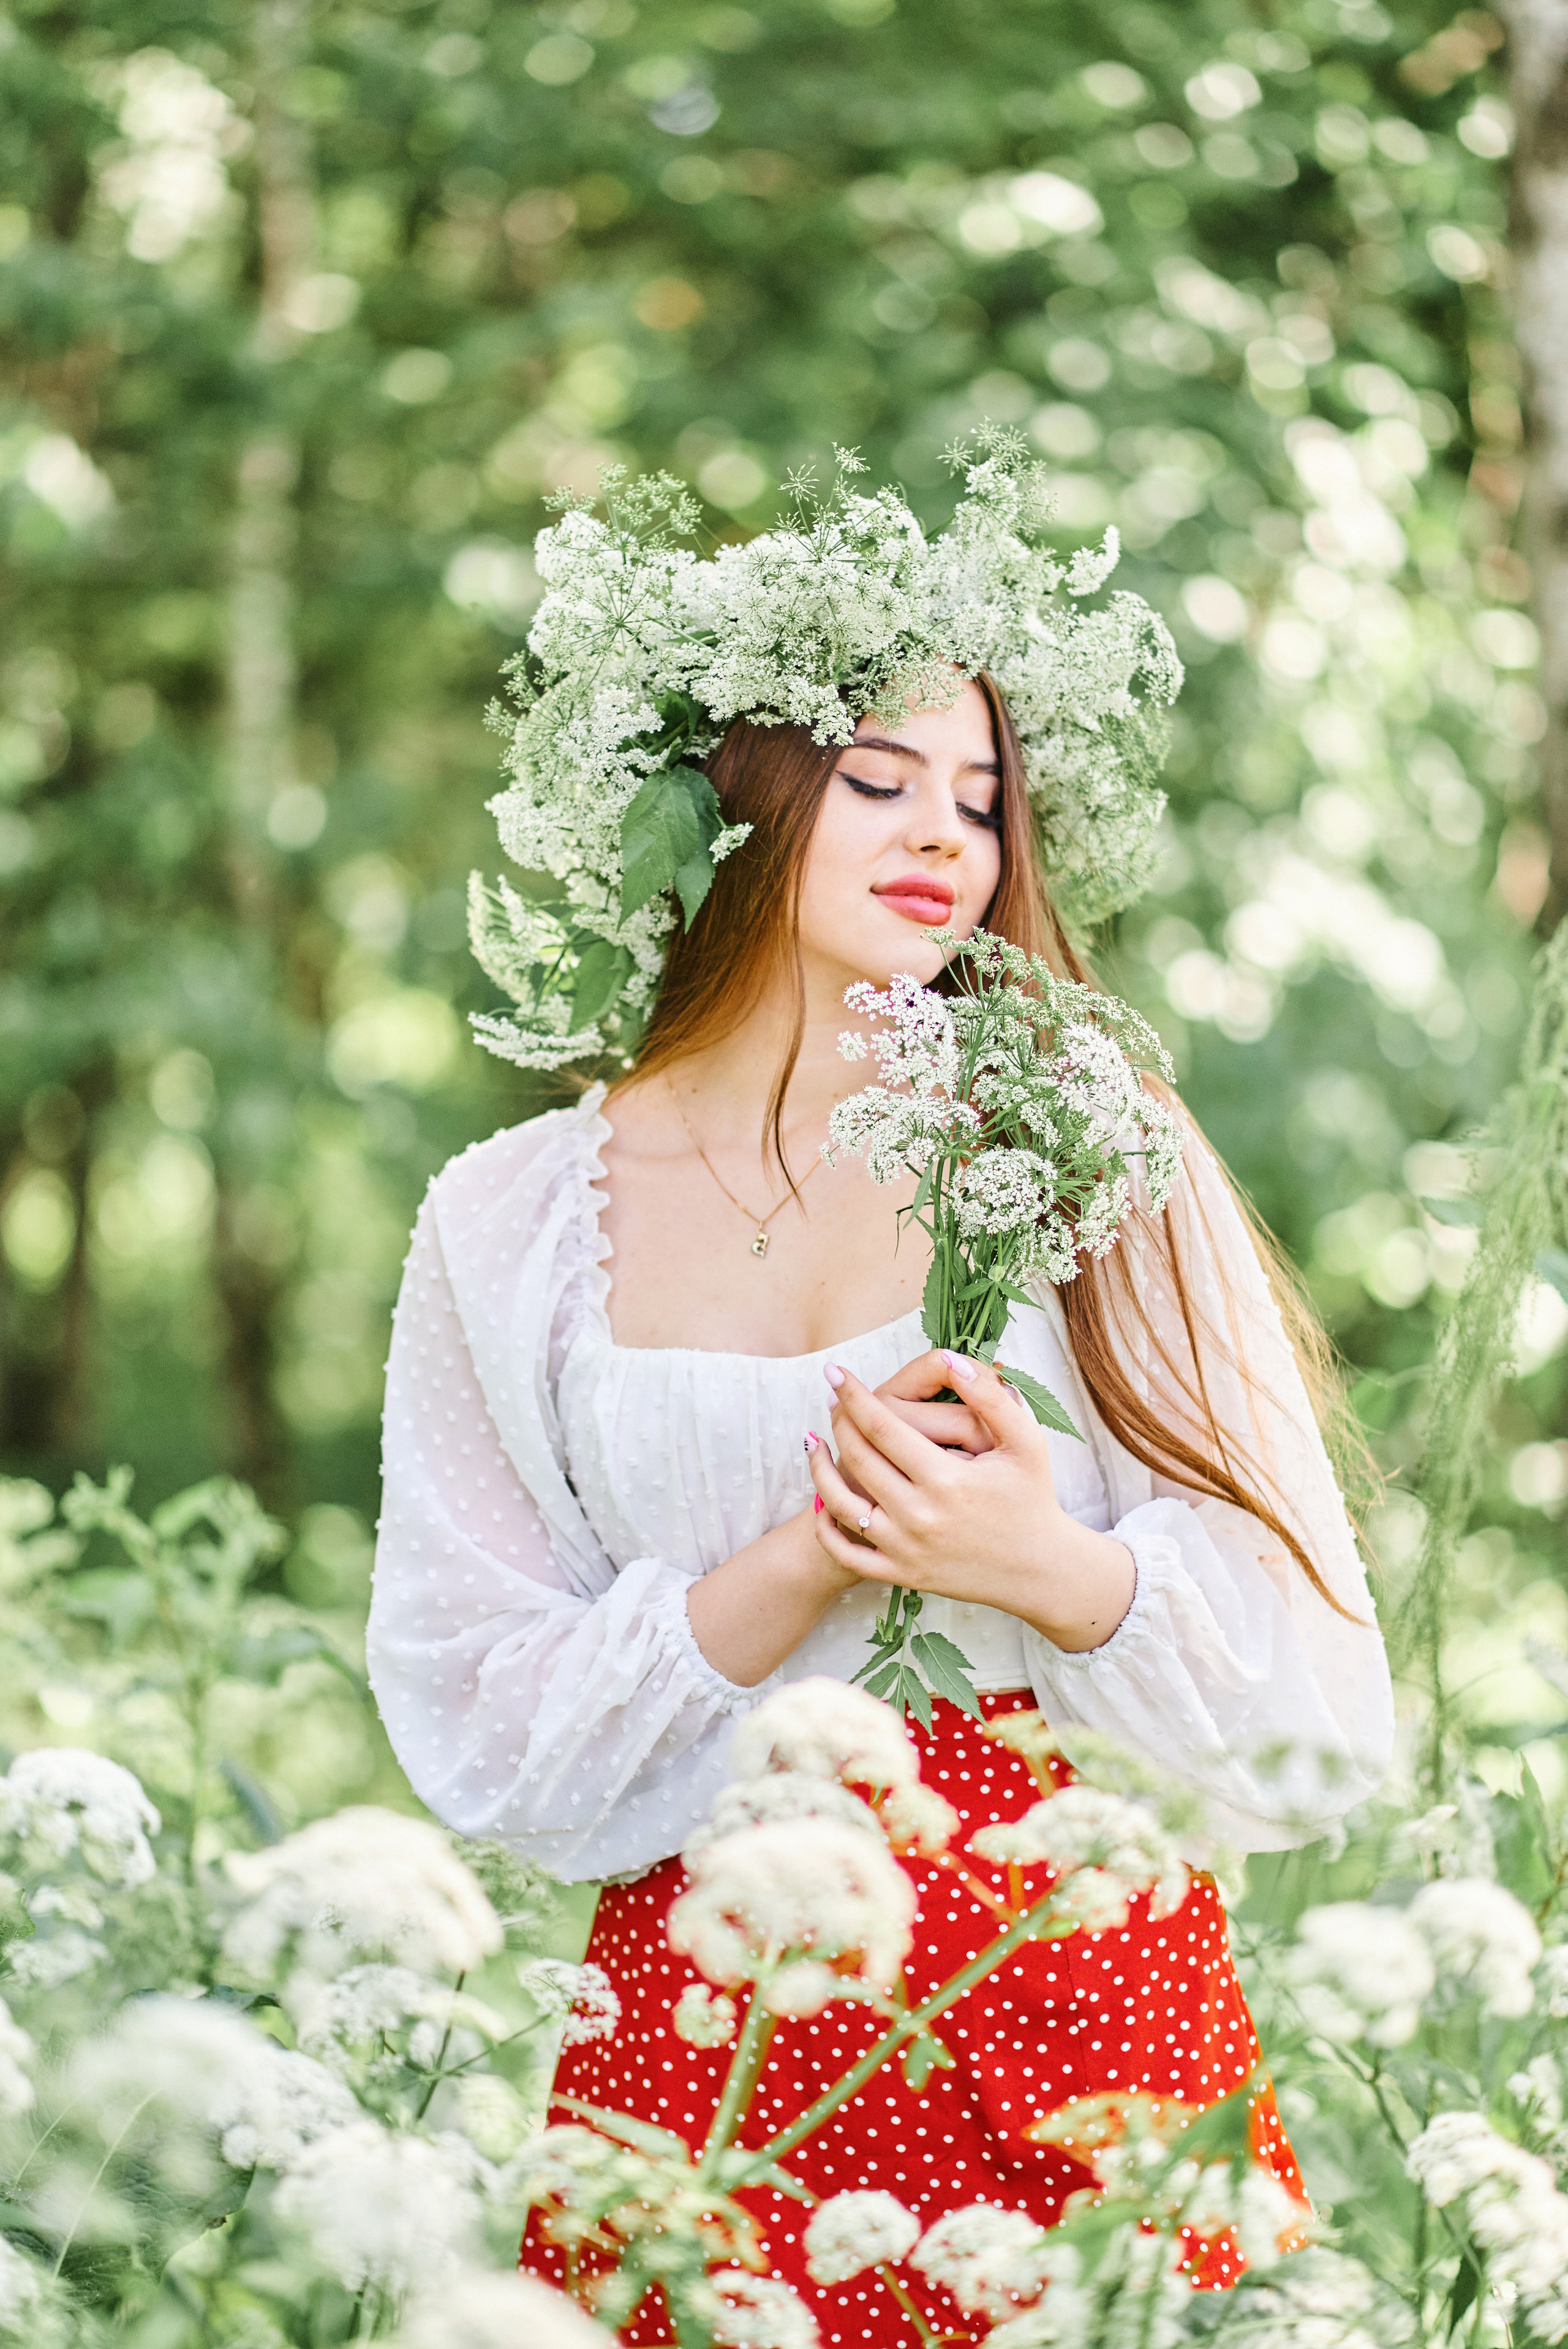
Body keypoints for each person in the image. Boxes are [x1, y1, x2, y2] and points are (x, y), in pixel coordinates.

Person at [367, 447, 1393, 2346]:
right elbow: (476, 1699)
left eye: (987, 797)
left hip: (1071, 1977)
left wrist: (1045, 1567)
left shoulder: (1093, 1140)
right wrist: (793, 1563)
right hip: (710, 2022)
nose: (952, 836)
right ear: (733, 796)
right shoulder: (508, 1223)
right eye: (883, 778)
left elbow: (1318, 1678)